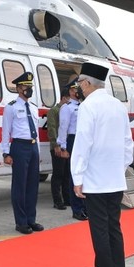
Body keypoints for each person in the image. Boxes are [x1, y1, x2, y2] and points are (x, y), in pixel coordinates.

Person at [71, 62, 133, 267]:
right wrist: (120, 168)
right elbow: (128, 144)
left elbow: (83, 143)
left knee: (100, 233)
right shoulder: (118, 106)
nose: (80, 88)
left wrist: (78, 176)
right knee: (114, 230)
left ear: (87, 82)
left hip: (96, 182)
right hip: (115, 180)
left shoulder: (89, 106)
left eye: (80, 84)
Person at [1, 72, 44, 235]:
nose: (28, 89)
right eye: (26, 86)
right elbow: (6, 131)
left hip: (32, 147)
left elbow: (36, 133)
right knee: (20, 185)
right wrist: (6, 153)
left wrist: (38, 152)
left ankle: (31, 219)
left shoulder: (33, 107)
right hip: (19, 147)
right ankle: (21, 222)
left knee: (33, 185)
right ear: (18, 88)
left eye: (30, 87)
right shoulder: (11, 107)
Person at [57, 78, 87, 221]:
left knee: (85, 173)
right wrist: (62, 146)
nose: (79, 91)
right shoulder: (67, 107)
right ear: (71, 91)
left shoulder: (84, 106)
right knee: (74, 174)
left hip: (83, 139)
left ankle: (85, 206)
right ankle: (77, 209)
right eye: (77, 89)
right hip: (72, 140)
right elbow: (63, 127)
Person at [46, 88, 71, 210]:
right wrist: (56, 145)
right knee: (58, 174)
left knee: (66, 174)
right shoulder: (54, 111)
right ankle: (57, 200)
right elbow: (52, 128)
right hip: (57, 147)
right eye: (68, 98)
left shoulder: (66, 110)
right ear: (64, 98)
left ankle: (67, 199)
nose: (69, 101)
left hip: (65, 146)